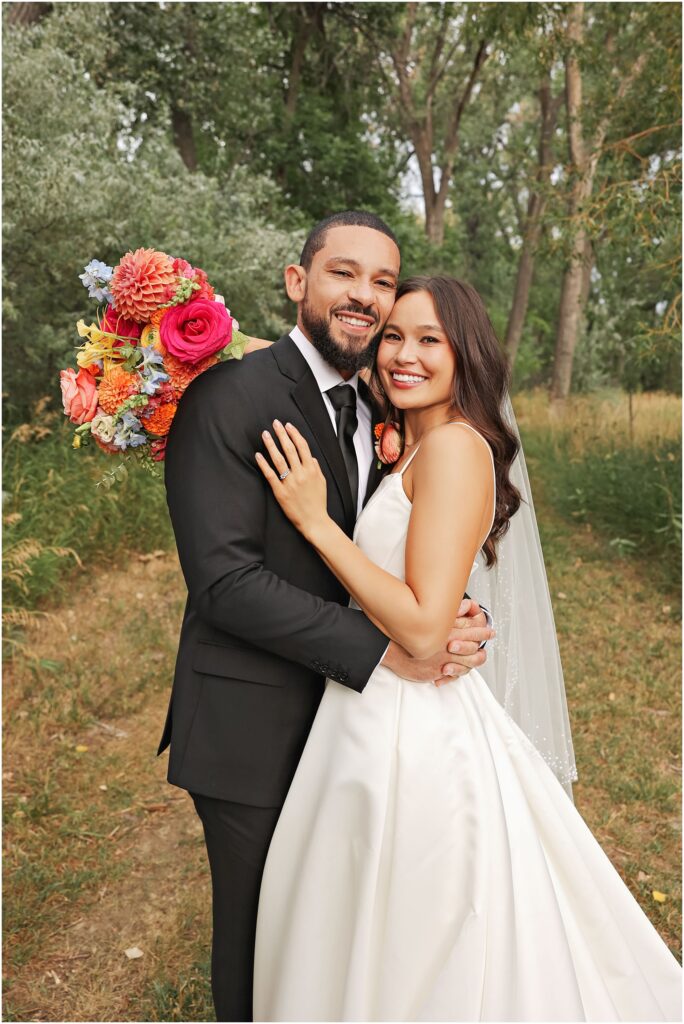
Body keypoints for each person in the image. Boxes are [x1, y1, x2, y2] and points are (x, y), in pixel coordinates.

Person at [253, 275, 682, 1021]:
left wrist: (316, 523)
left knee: (415, 929)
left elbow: (421, 628)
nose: (404, 355)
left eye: (430, 341)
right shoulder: (410, 446)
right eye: (394, 336)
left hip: (408, 726)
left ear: (467, 357)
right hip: (364, 703)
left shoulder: (454, 448)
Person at [160, 212, 494, 1022]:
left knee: (326, 939)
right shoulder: (230, 396)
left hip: (348, 728)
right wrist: (394, 648)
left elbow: (403, 549)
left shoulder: (379, 409)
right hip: (251, 723)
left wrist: (449, 609)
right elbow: (227, 583)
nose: (366, 297)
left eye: (383, 282)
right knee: (259, 941)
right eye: (345, 273)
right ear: (296, 281)